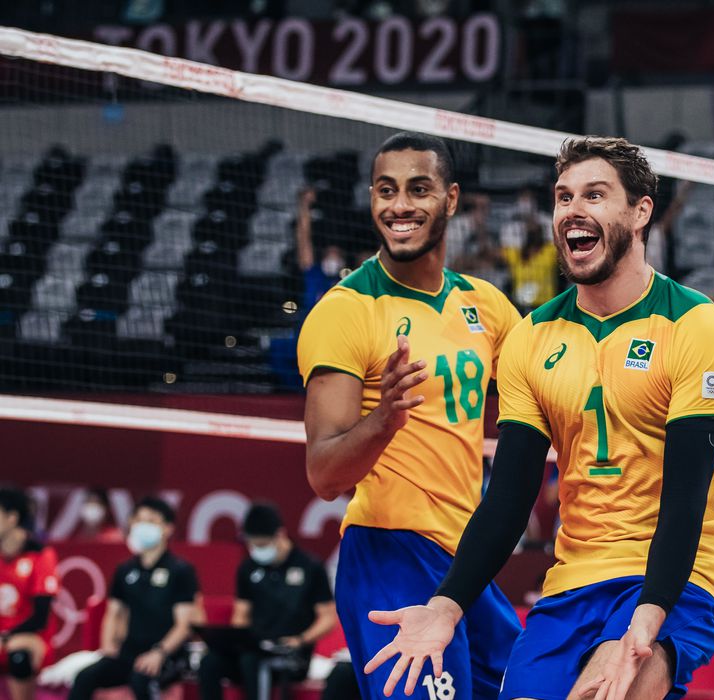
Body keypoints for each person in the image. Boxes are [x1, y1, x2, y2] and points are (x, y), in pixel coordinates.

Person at [365, 136, 714, 700]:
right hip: (574, 581)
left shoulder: (694, 326)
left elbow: (685, 500)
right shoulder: (530, 339)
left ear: (640, 212)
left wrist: (645, 622)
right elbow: (509, 499)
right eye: (564, 197)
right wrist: (445, 607)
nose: (574, 210)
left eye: (595, 195)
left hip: (681, 576)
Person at [297, 131, 523, 700]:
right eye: (386, 190)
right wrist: (383, 419)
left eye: (417, 190)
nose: (399, 206)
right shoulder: (346, 312)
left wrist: (673, 427)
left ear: (450, 200)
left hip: (464, 562)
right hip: (389, 551)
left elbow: (560, 390)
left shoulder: (486, 305)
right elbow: (324, 476)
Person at [197, 503, 336, 700]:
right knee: (210, 662)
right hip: (254, 648)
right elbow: (241, 614)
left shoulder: (310, 567)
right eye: (252, 544)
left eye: (261, 545)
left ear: (280, 534)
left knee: (252, 661)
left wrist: (300, 640)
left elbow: (328, 618)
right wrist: (236, 641)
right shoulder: (248, 568)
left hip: (291, 654)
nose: (256, 550)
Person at [70, 496, 198, 700]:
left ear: (168, 528)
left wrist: (159, 653)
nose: (142, 526)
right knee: (85, 677)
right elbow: (114, 613)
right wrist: (109, 649)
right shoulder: (125, 570)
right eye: (139, 520)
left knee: (142, 680)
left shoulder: (181, 571)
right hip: (129, 653)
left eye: (151, 521)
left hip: (168, 656)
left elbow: (185, 625)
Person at [0, 488, 59, 700]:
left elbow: (40, 617)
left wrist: (5, 638)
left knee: (19, 655)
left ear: (12, 518)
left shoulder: (41, 555)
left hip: (29, 639)